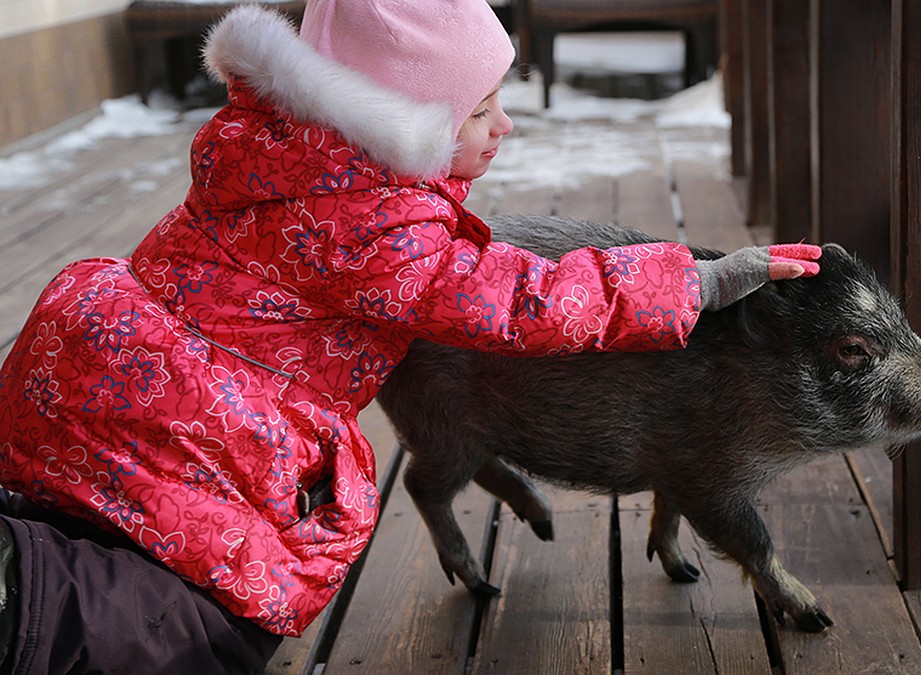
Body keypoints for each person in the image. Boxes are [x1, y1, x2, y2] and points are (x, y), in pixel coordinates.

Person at [0, 1, 821, 672]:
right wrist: (700, 279)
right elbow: (529, 298)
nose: (505, 127)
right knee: (218, 619)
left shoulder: (275, 144)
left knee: (94, 512)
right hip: (192, 415)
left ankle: (34, 548)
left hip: (89, 361)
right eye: (480, 111)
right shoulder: (380, 228)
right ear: (409, 123)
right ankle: (18, 592)